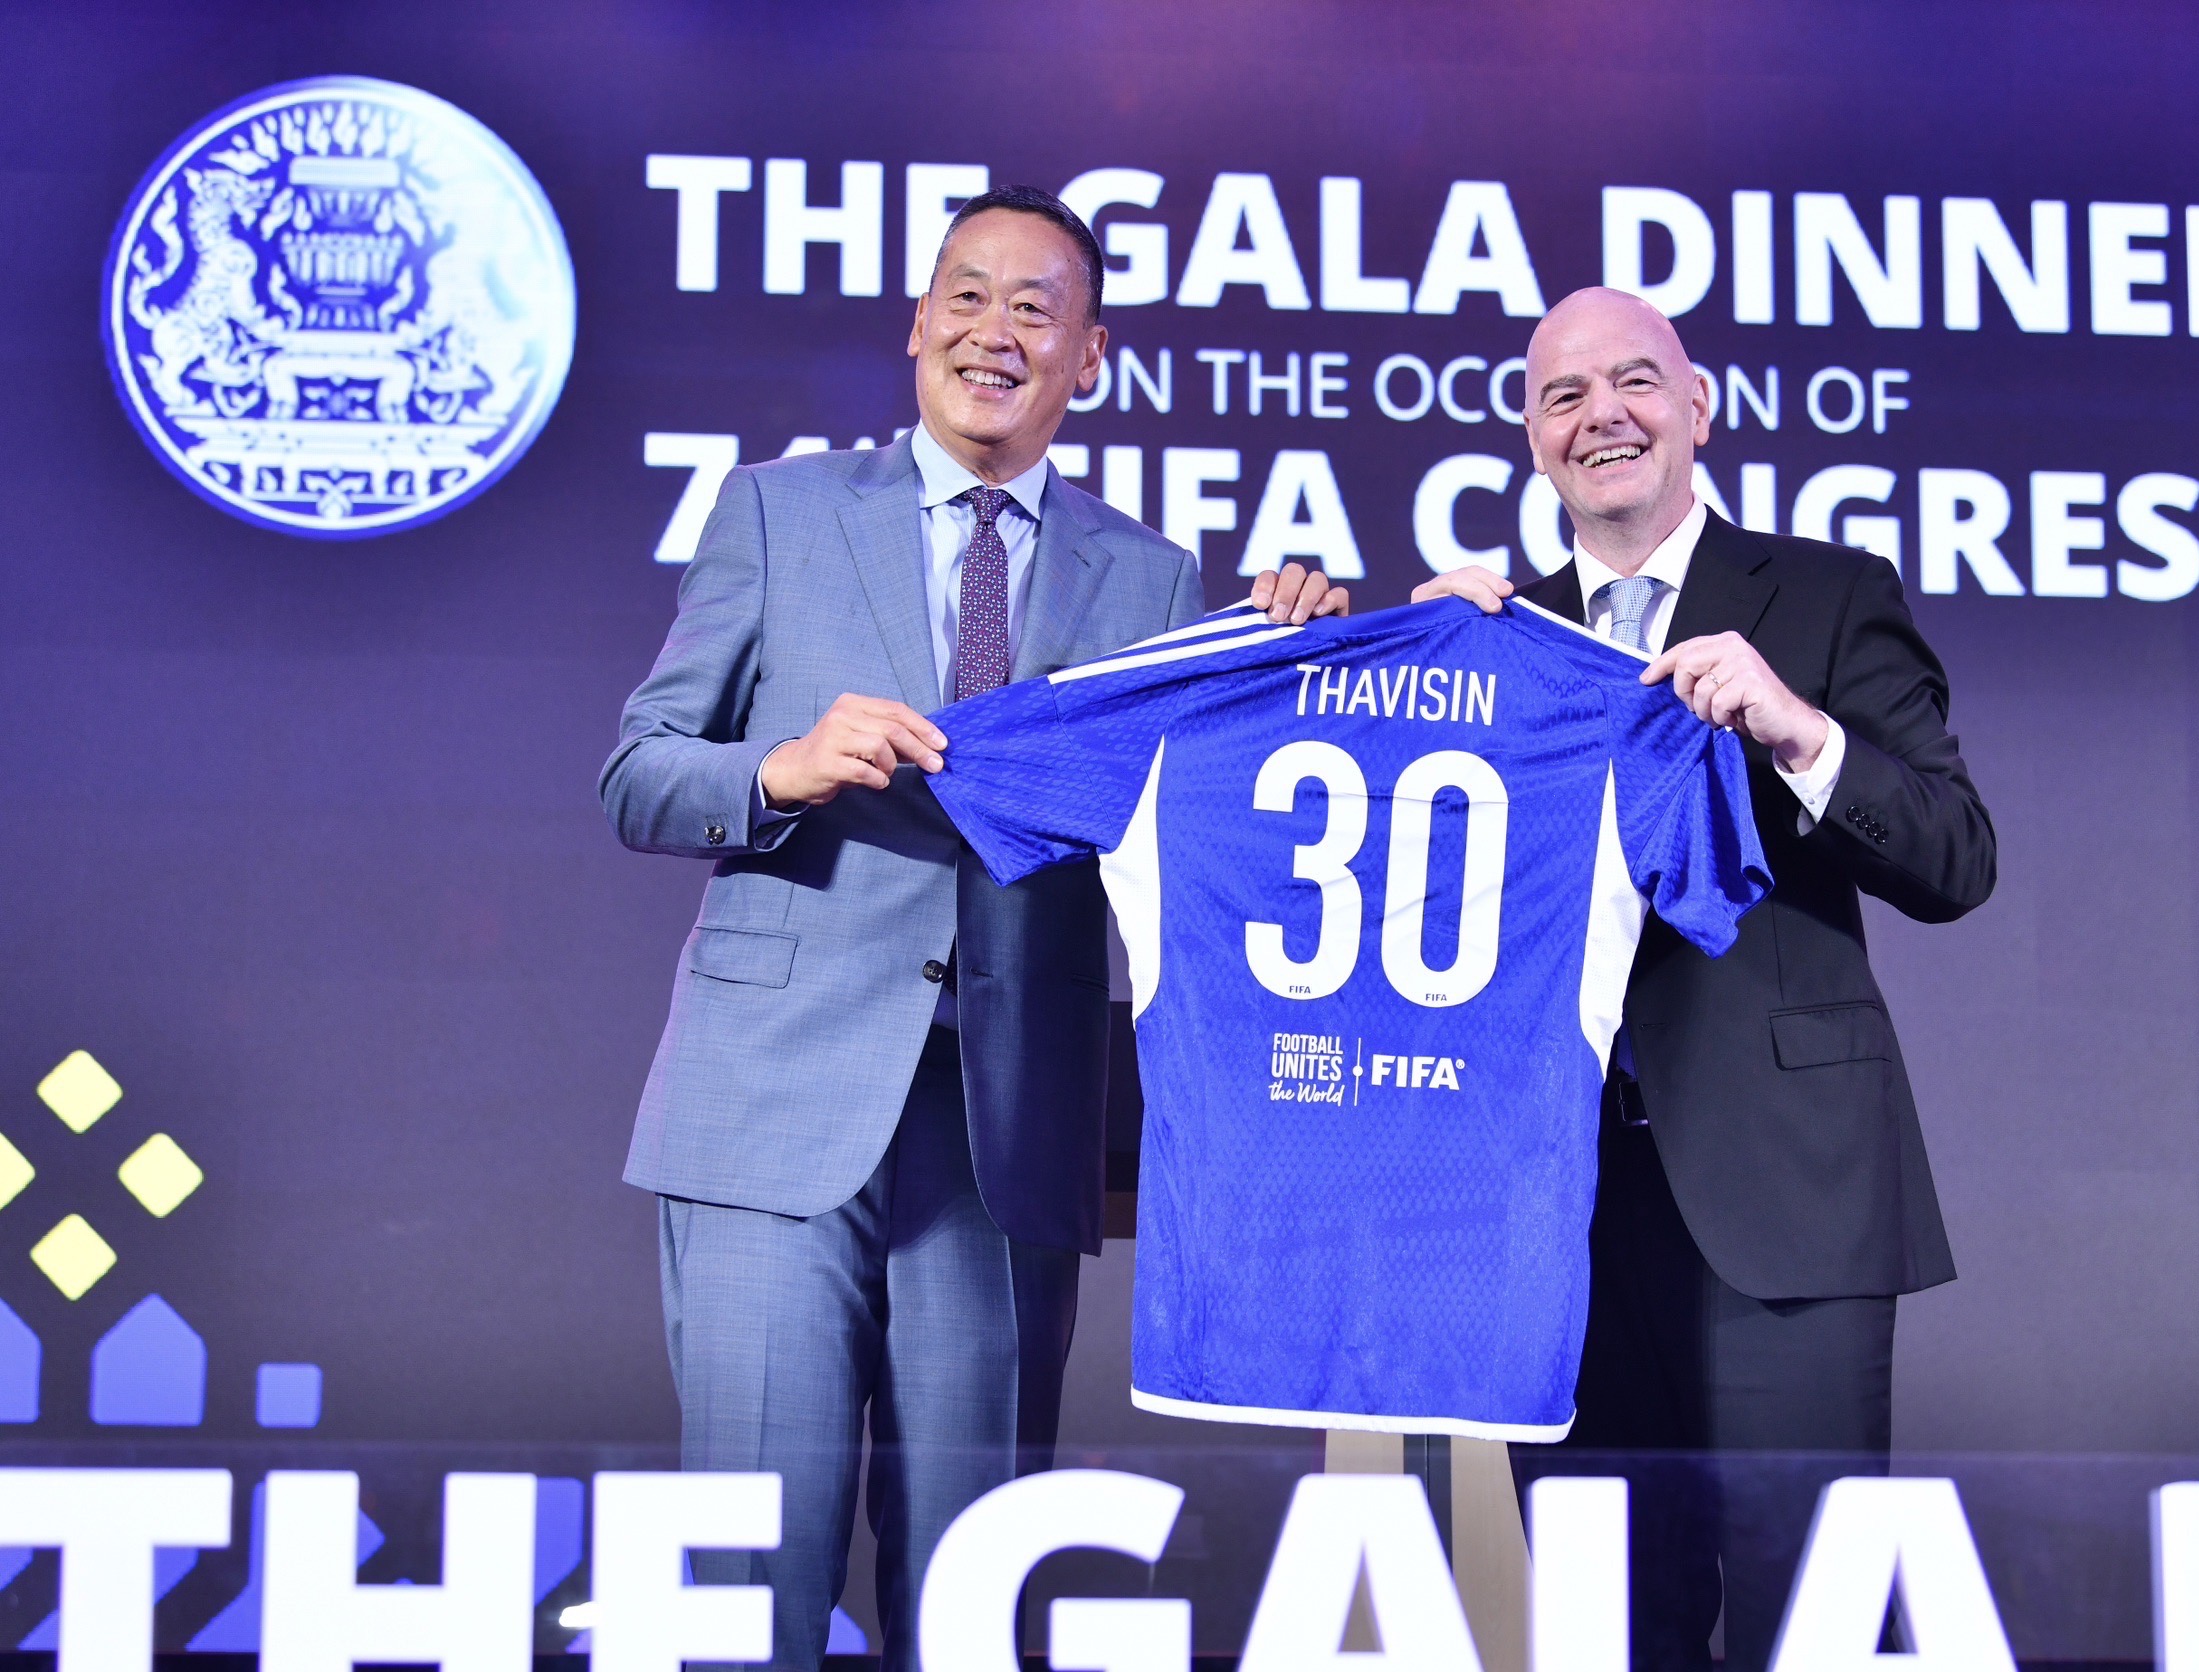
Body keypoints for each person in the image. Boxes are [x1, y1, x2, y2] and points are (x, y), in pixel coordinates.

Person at [600, 184, 1343, 1672]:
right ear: (918, 324)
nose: (994, 331)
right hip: (772, 1097)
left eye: (1035, 308)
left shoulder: (1154, 579)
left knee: (973, 1590)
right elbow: (640, 773)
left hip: (1008, 1121)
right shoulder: (780, 512)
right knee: (748, 1577)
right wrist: (780, 768)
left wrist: (1290, 673)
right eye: (967, 295)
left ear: (1089, 355)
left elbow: (1196, 838)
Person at [1415, 287, 1995, 1672]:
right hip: (1556, 1212)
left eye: (1633, 381)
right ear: (1532, 438)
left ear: (1698, 408)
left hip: (1785, 1188)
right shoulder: (1493, 636)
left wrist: (1798, 732)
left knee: (1817, 1624)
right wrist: (1417, 708)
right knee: (1609, 1630)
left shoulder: (1829, 594)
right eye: (1563, 395)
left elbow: (1955, 856)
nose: (1601, 416)